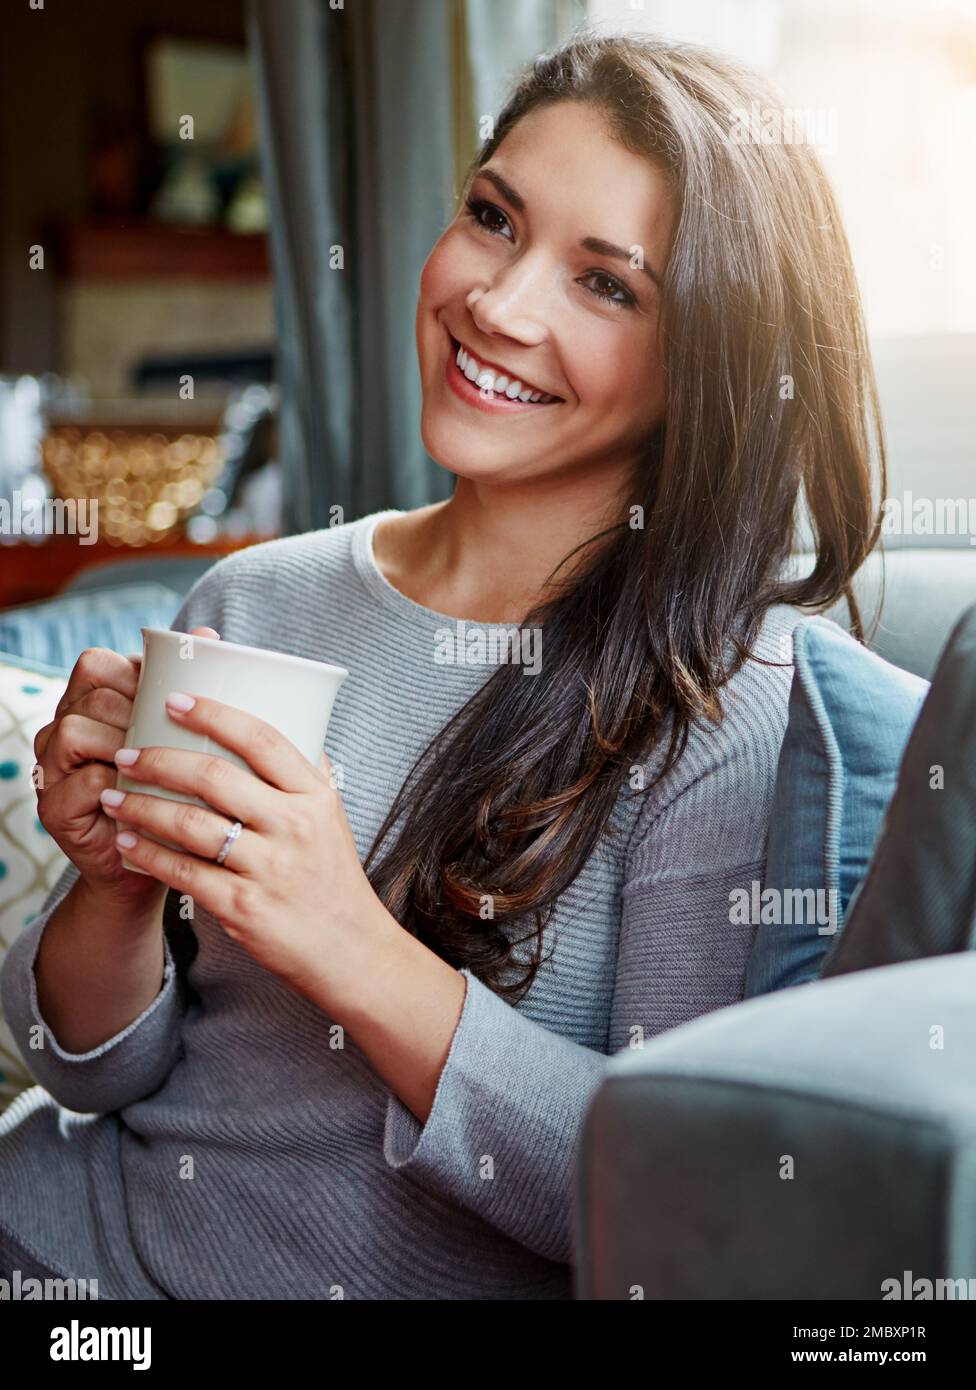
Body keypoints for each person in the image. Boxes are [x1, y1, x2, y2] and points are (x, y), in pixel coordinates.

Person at [0, 29, 884, 1300]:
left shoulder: (732, 713)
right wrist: (112, 888)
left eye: (608, 284)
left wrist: (346, 942)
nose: (499, 303)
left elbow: (663, 1190)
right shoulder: (257, 594)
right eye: (492, 219)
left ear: (711, 361)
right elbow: (88, 1069)